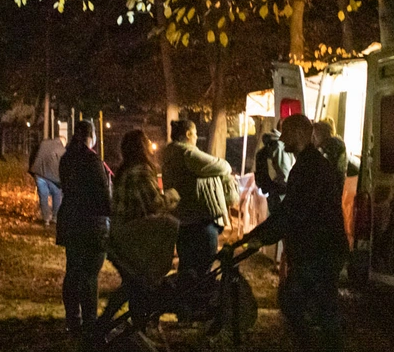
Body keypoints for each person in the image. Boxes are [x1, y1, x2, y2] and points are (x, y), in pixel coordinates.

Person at [242, 114, 348, 352]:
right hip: (320, 249)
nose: (283, 138)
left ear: (301, 133)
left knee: (305, 305)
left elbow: (295, 212)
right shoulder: (310, 164)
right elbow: (294, 211)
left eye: (287, 133)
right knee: (314, 307)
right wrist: (259, 235)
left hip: (320, 251)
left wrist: (259, 236)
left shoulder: (310, 168)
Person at [102, 129, 179, 322]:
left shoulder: (125, 170)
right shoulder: (141, 171)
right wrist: (173, 196)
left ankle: (116, 324)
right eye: (147, 142)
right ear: (142, 147)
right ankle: (123, 324)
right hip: (132, 238)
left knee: (133, 285)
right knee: (139, 283)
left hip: (118, 236)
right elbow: (155, 204)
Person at [162, 119, 239, 282]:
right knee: (203, 271)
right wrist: (225, 167)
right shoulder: (187, 153)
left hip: (184, 223)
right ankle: (198, 297)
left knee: (187, 271)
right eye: (195, 134)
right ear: (188, 134)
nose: (196, 138)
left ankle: (186, 297)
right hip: (200, 223)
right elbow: (222, 166)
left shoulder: (171, 155)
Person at [55, 120, 112, 334]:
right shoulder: (92, 160)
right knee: (89, 274)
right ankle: (90, 321)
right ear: (92, 136)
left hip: (71, 219)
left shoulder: (67, 159)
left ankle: (73, 319)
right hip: (91, 223)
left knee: (73, 270)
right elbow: (102, 195)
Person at [29, 131, 65, 226]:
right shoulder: (61, 148)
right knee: (57, 195)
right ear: (62, 141)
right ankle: (55, 218)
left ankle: (46, 219)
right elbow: (64, 164)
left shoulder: (43, 143)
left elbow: (33, 155)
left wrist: (32, 171)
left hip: (39, 174)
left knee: (43, 196)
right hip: (53, 177)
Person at [253, 129, 290, 216]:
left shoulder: (275, 148)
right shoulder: (280, 147)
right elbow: (284, 173)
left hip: (277, 191)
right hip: (279, 192)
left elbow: (284, 173)